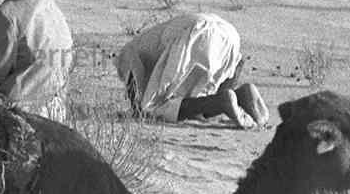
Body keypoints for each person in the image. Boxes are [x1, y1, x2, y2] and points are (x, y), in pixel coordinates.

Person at [115, 12, 269, 128]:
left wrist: (137, 110)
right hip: (228, 33)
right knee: (206, 97)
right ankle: (241, 94)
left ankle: (223, 101)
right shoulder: (146, 42)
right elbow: (237, 62)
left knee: (157, 109)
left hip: (192, 34)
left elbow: (140, 107)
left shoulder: (127, 56)